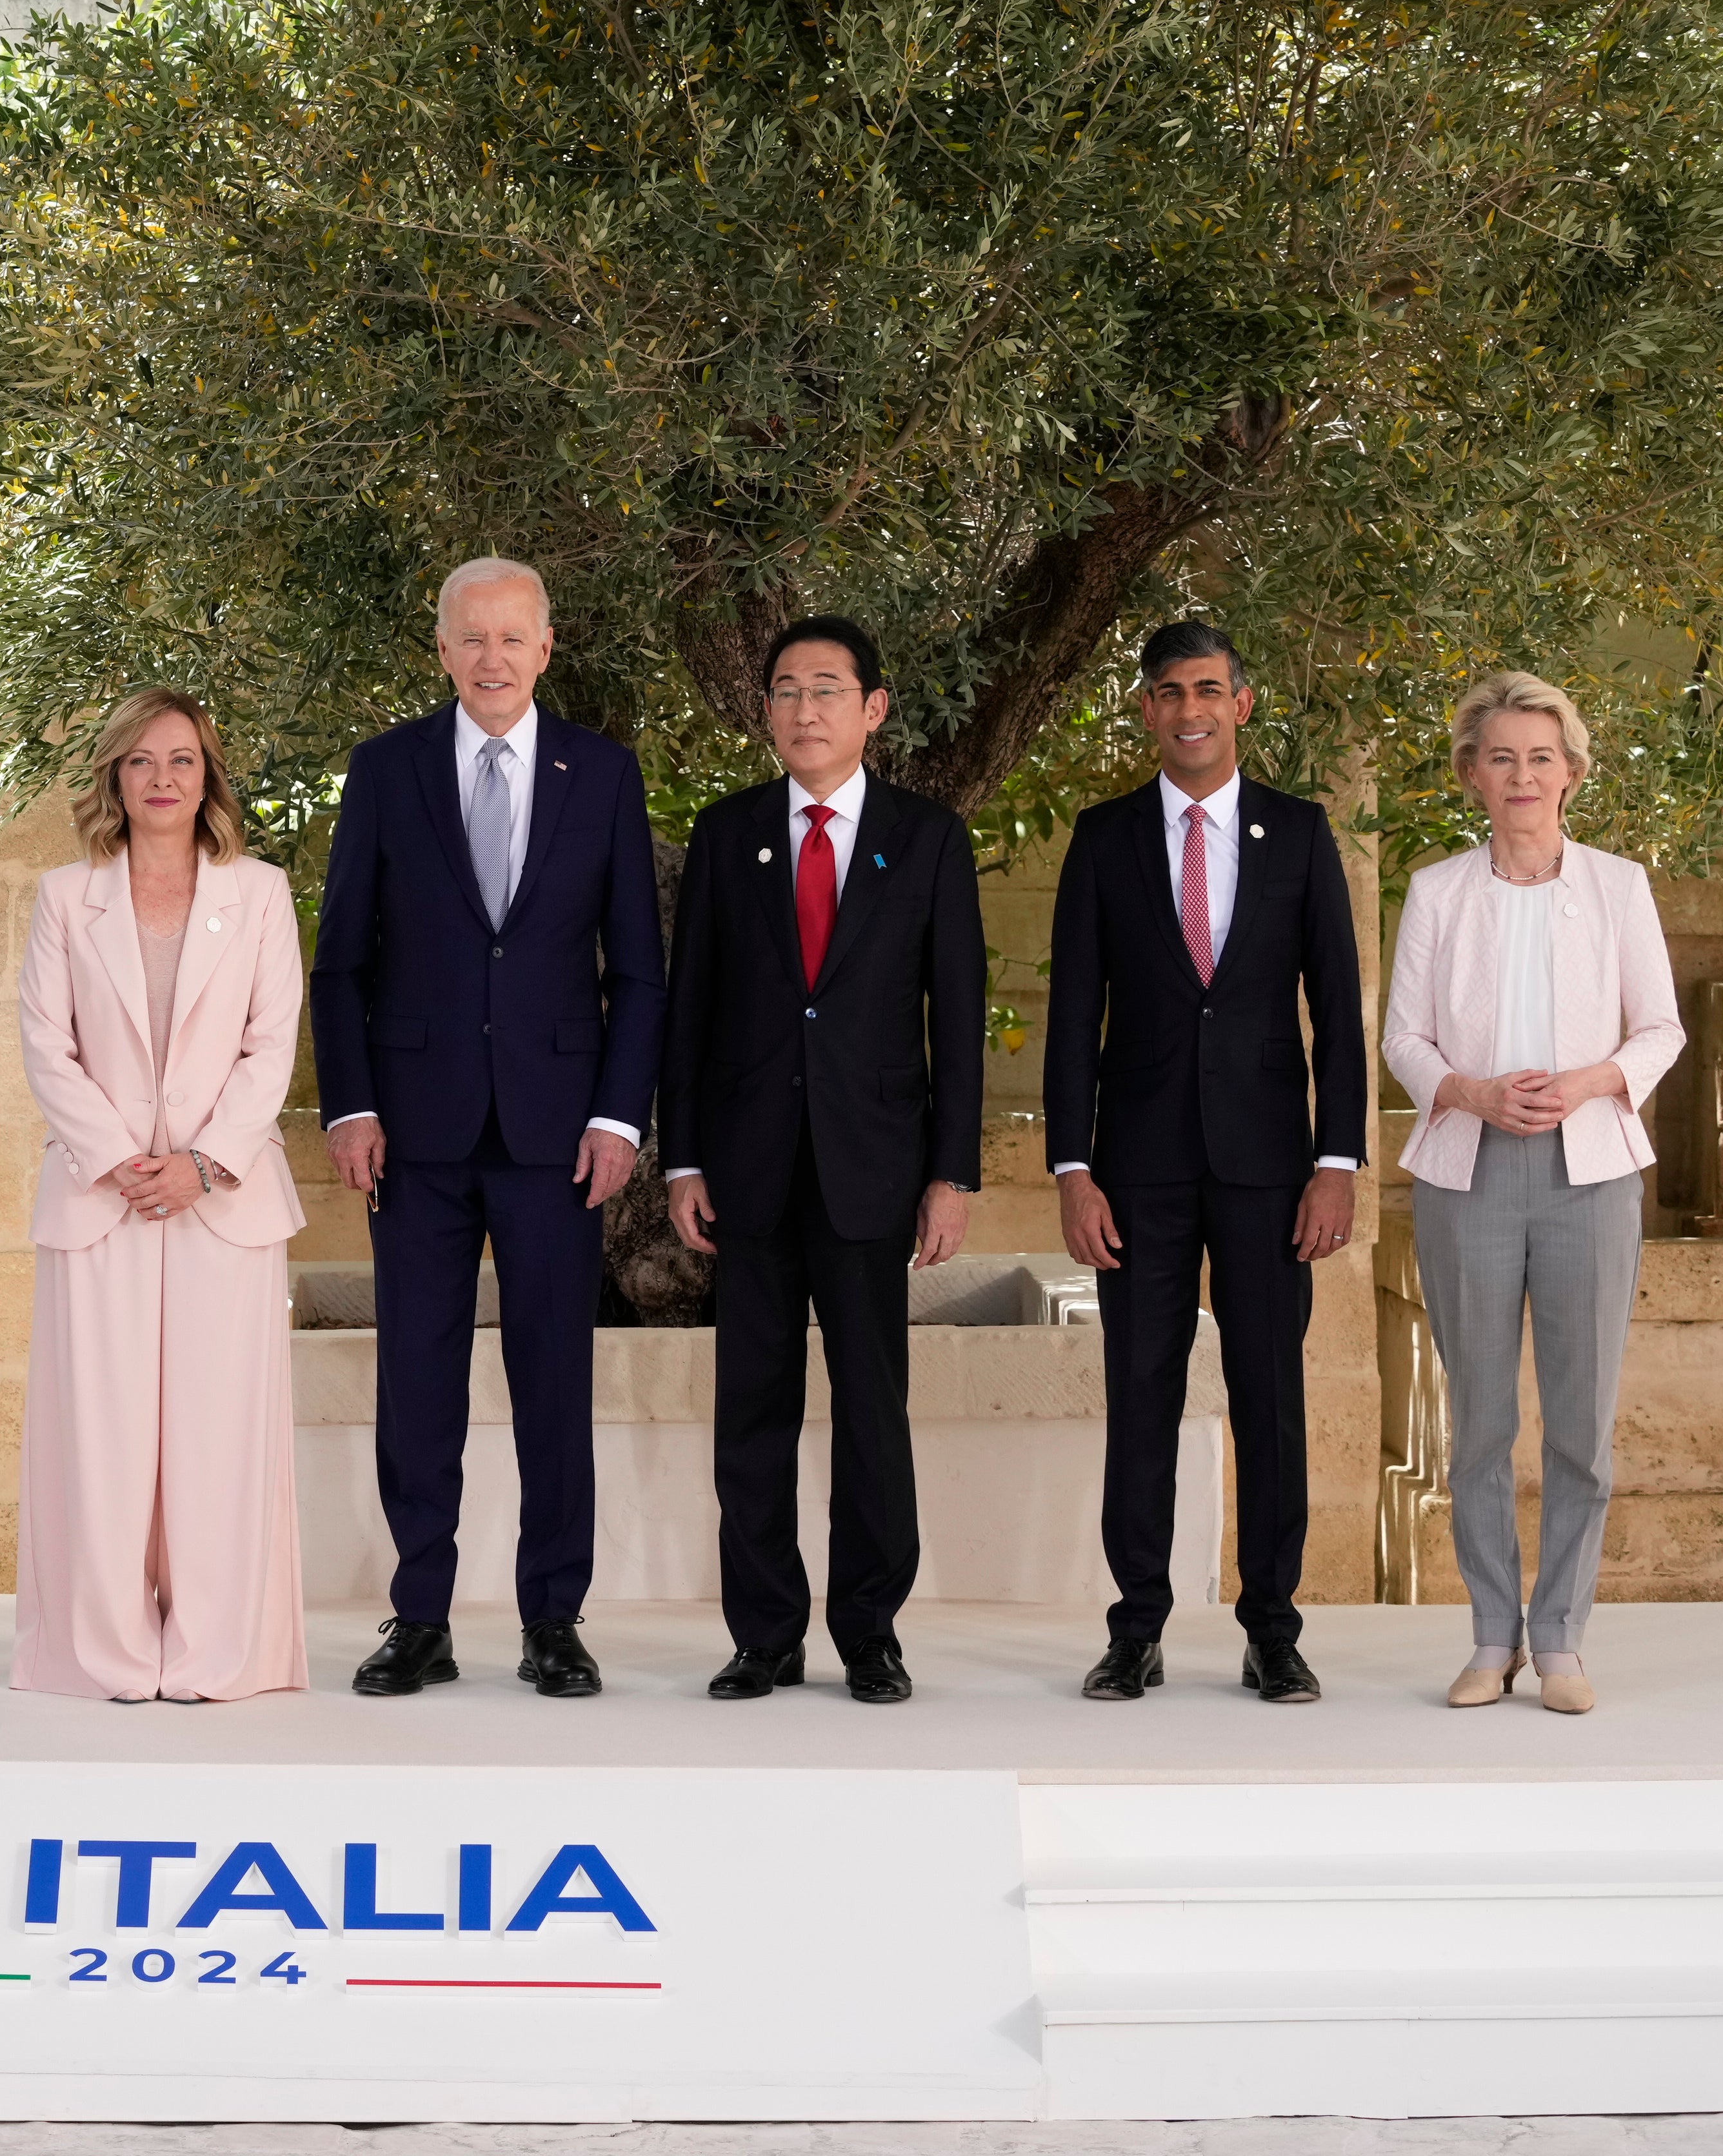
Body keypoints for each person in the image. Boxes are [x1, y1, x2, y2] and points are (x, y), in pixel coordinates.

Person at [310, 556, 666, 1698]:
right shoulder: (385, 772)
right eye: (473, 639)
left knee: (553, 1379)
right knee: (418, 1379)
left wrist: (620, 1115)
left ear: (546, 649)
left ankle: (552, 1619)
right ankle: (420, 1616)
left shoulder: (604, 776)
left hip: (560, 1137)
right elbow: (342, 963)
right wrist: (352, 1103)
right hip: (411, 1133)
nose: (493, 659)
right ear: (443, 647)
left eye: (514, 639)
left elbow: (641, 976)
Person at [661, 617, 986, 1705]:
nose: (806, 709)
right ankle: (763, 1632)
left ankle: (870, 1633)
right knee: (751, 1409)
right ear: (767, 712)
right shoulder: (726, 834)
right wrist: (684, 1160)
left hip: (873, 1167)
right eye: (788, 690)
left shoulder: (927, 837)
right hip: (748, 1170)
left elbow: (960, 1015)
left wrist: (953, 1175)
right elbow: (689, 1012)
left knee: (872, 1411)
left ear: (873, 709)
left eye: (829, 689)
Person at [1045, 618, 1364, 1706]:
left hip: (1274, 1170)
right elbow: (1070, 1018)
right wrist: (1070, 1170)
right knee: (1141, 1395)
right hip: (1134, 1172)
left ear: (1243, 701)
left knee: (1268, 1396)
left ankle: (1273, 1630)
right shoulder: (1102, 838)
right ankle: (1136, 1627)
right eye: (1171, 691)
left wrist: (1338, 1160)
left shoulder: (1300, 832)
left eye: (1209, 689)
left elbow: (1339, 1012)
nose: (1190, 709)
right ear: (1147, 709)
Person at [1383, 672, 1680, 1716]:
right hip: (1466, 1174)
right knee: (1478, 1424)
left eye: (1541, 757)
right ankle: (1489, 1636)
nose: (1522, 775)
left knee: (1580, 1422)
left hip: (1589, 1175)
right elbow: (1403, 1037)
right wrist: (1464, 1090)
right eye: (1500, 757)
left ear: (1573, 773)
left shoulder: (1620, 887)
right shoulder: (1437, 892)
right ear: (1472, 774)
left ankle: (1560, 1641)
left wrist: (1594, 1082)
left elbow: (1660, 1030)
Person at [13, 689, 311, 1703]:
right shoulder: (64, 896)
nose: (163, 779)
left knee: (218, 1432)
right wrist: (120, 1157)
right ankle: (101, 1652)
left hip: (222, 1202)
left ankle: (219, 1650)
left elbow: (273, 1044)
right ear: (114, 775)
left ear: (208, 775)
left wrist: (204, 1163)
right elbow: (45, 1045)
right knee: (99, 1434)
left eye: (182, 760)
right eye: (142, 761)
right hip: (104, 1199)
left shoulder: (261, 893)